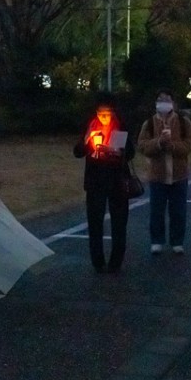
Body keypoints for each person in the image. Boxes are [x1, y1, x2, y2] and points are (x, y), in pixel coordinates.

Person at [73, 93, 135, 274]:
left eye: (107, 114)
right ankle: (97, 261)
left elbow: (130, 152)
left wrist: (118, 152)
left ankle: (116, 261)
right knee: (95, 221)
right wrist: (87, 141)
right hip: (95, 181)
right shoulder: (90, 126)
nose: (104, 117)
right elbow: (77, 152)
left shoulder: (121, 126)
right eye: (101, 114)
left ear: (113, 112)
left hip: (117, 180)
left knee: (119, 222)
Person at [137, 88, 191, 254]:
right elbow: (142, 145)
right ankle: (157, 241)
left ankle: (177, 241)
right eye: (160, 99)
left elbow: (190, 143)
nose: (163, 103)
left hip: (179, 175)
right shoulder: (149, 123)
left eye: (167, 99)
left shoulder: (183, 122)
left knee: (178, 210)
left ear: (173, 103)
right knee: (156, 210)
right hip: (157, 175)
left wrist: (173, 146)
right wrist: (158, 143)